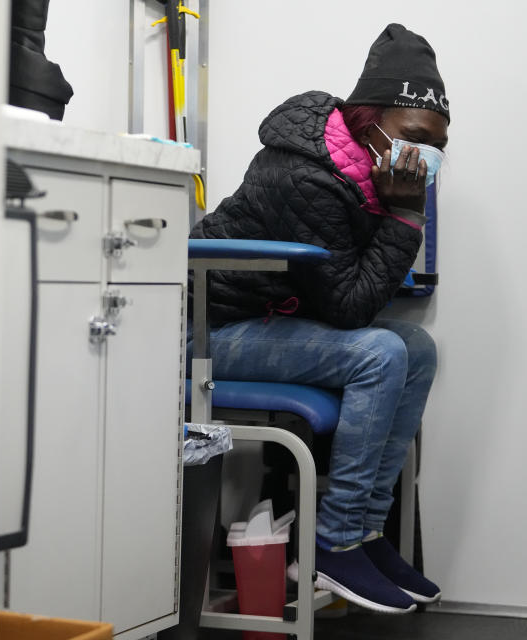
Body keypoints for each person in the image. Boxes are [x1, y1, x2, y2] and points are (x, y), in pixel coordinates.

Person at [190, 24, 448, 614]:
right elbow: (350, 308)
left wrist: (398, 210)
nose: (424, 155)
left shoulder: (367, 174)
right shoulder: (303, 173)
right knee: (380, 352)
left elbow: (352, 297)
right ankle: (332, 541)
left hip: (267, 323)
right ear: (369, 121)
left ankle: (365, 530)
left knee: (418, 348)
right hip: (207, 332)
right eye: (413, 137)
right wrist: (407, 216)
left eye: (436, 144)